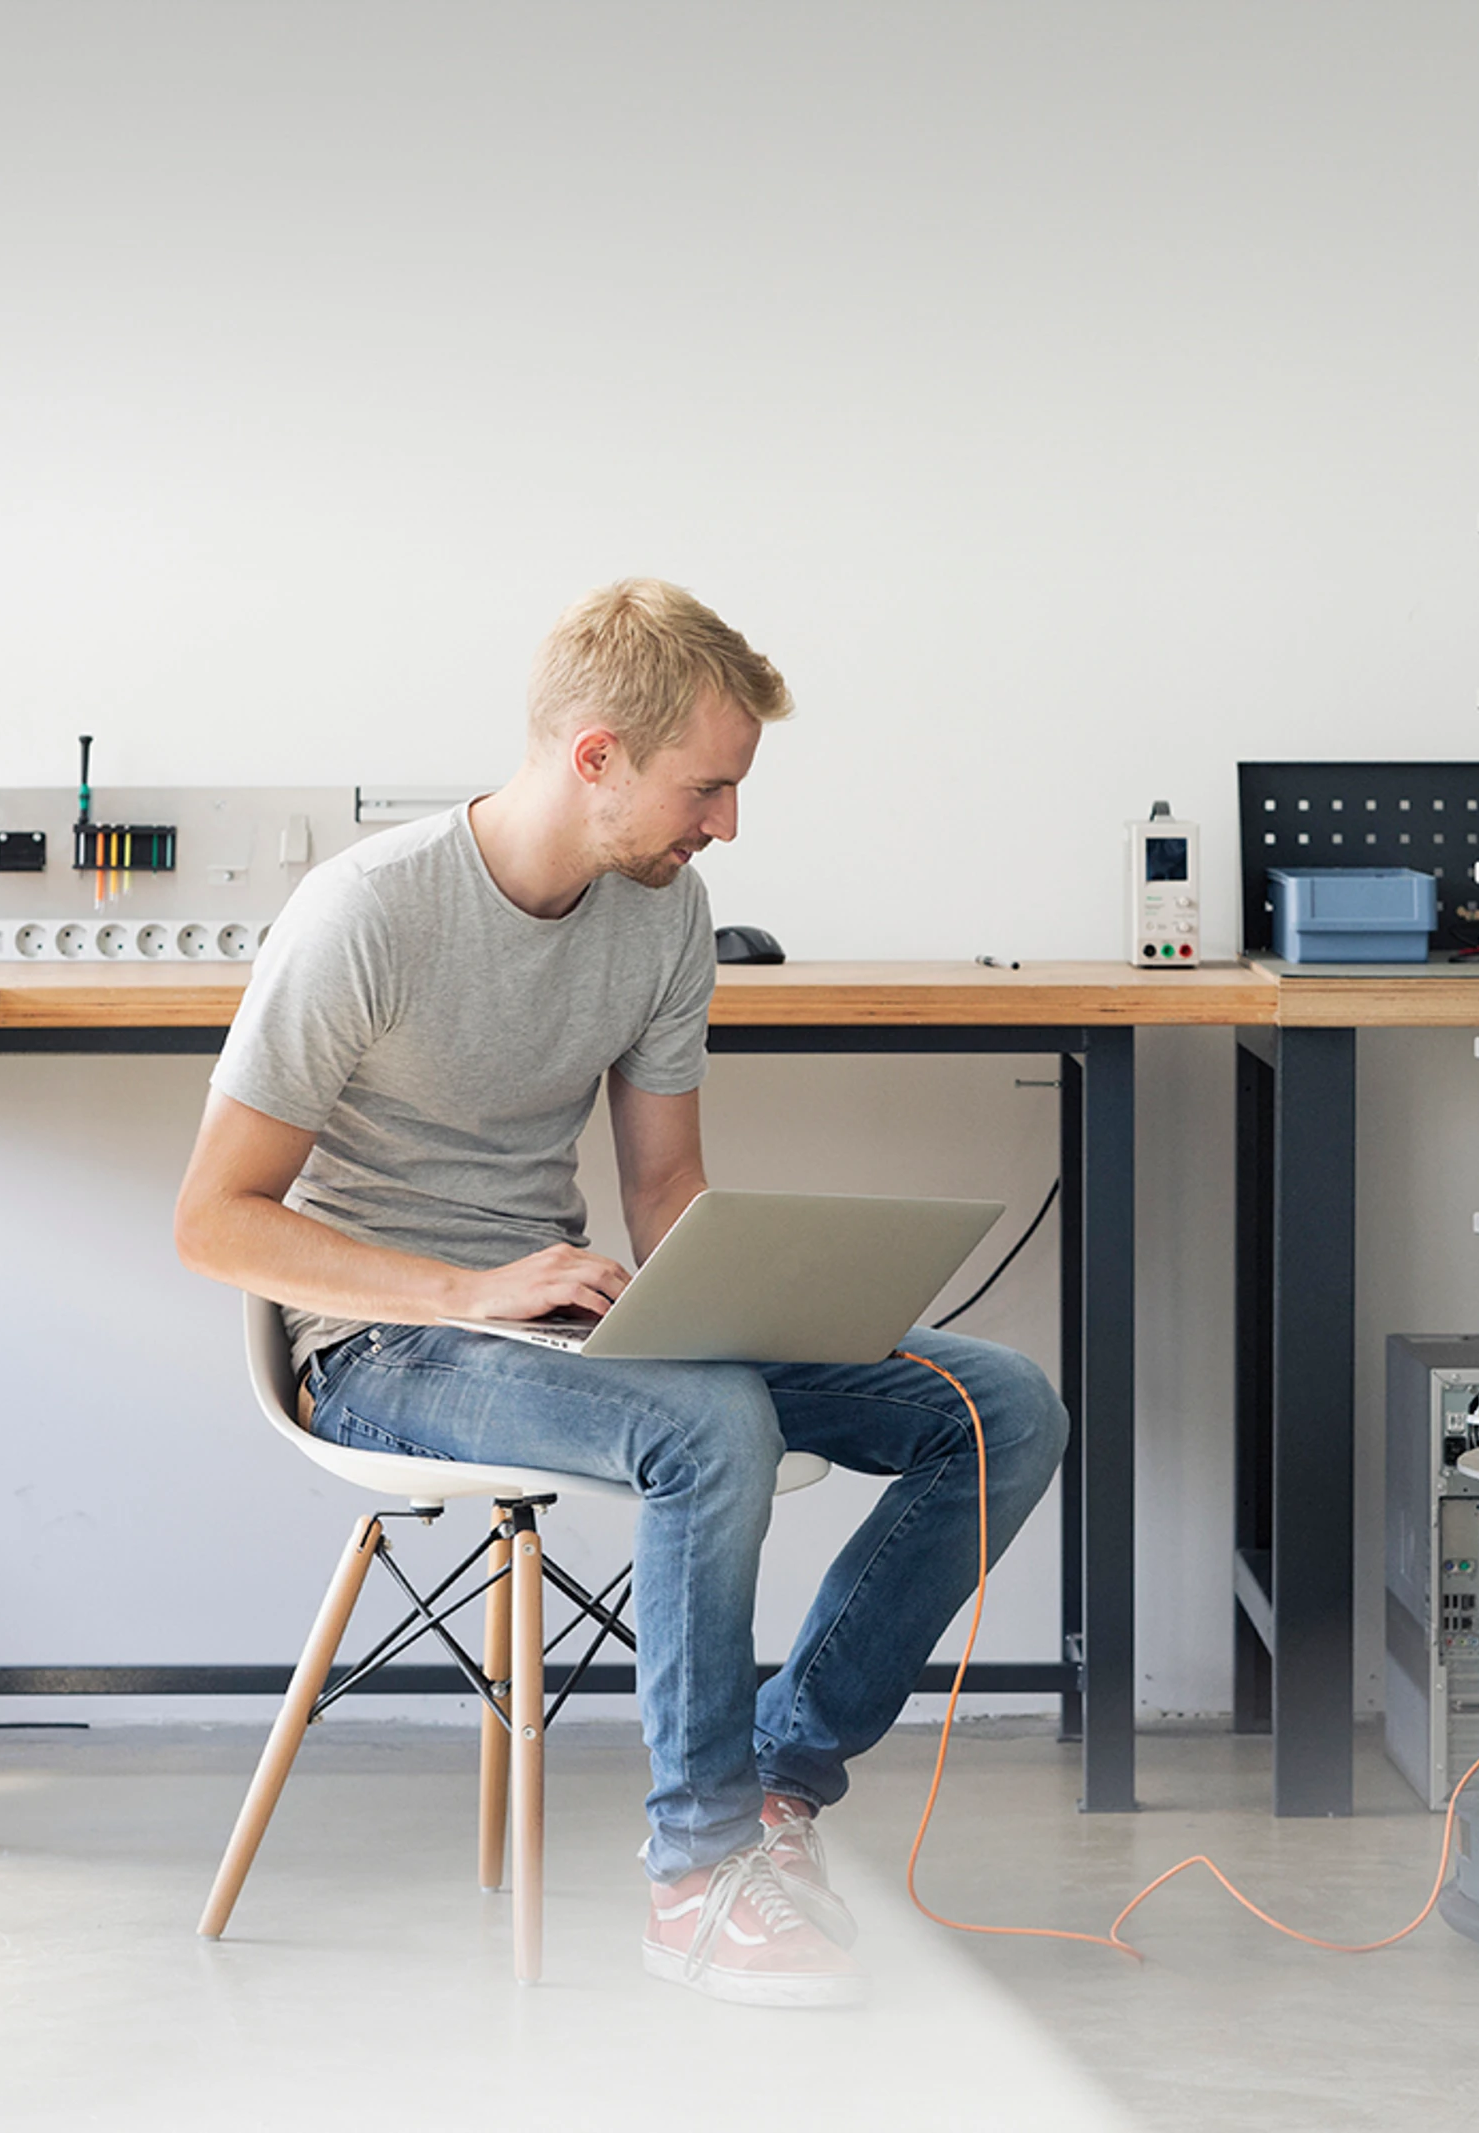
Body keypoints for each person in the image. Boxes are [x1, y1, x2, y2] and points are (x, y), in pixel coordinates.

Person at [171, 578, 1069, 2008]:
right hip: (388, 1346)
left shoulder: (664, 912)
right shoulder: (366, 914)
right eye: (706, 787)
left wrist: (757, 1288)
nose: (725, 824)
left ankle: (777, 1789)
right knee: (707, 1426)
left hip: (565, 1321)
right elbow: (213, 1222)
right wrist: (471, 1287)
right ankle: (696, 1876)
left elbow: (664, 1195)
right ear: (595, 756)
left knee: (999, 1405)